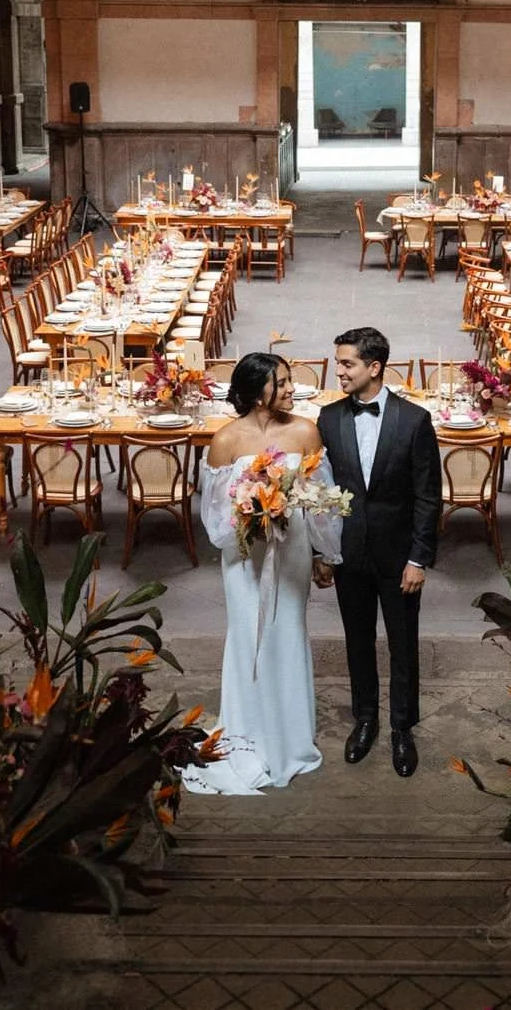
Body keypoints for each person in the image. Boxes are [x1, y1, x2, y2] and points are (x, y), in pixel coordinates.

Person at [184, 352, 342, 794]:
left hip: (289, 552)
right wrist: (249, 515)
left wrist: (324, 555)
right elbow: (214, 518)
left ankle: (290, 740)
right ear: (257, 392)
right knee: (246, 637)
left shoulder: (305, 432)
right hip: (242, 557)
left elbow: (322, 501)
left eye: (291, 380)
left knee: (288, 634)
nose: (293, 389)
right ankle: (247, 733)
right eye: (284, 382)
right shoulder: (225, 441)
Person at [315, 326, 442, 778]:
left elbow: (429, 496)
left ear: (375, 367)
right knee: (357, 641)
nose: (340, 372)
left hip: (399, 556)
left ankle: (402, 729)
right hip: (350, 555)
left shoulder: (414, 420)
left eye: (347, 364)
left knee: (403, 644)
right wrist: (322, 552)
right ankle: (365, 719)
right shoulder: (328, 420)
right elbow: (322, 493)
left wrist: (418, 558)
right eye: (338, 363)